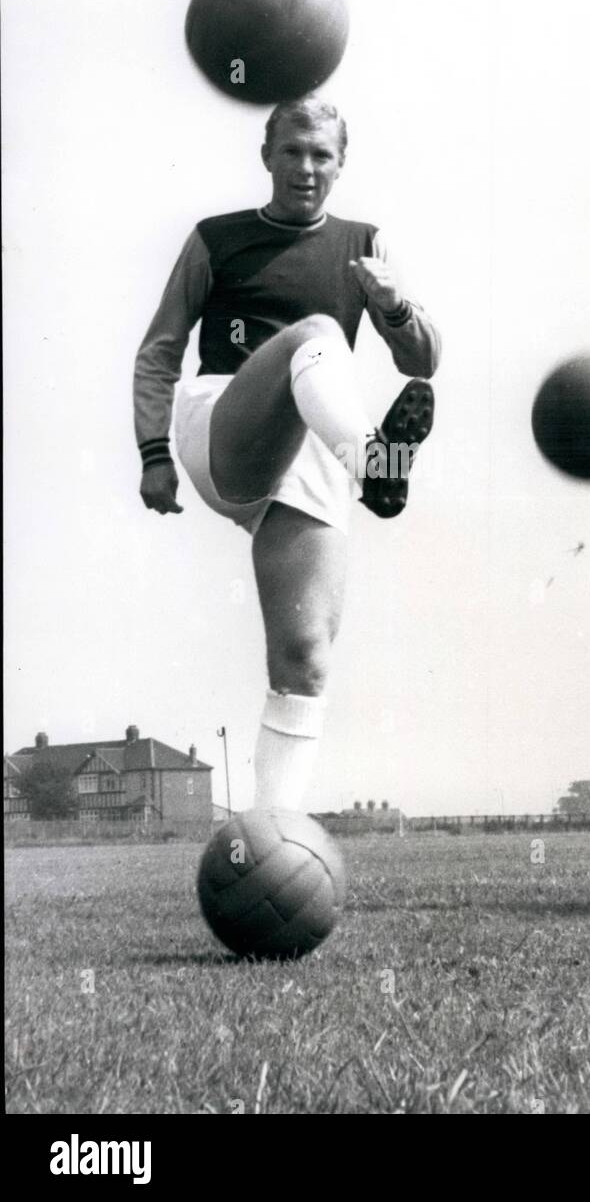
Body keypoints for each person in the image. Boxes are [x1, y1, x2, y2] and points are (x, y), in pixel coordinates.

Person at [134, 96, 441, 813]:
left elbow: (424, 362)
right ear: (267, 156)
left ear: (340, 164)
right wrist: (153, 453)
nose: (306, 167)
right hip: (223, 426)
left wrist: (395, 308)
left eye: (321, 155)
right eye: (292, 151)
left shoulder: (366, 244)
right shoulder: (216, 238)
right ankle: (378, 467)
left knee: (305, 661)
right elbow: (159, 352)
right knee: (317, 335)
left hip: (315, 444)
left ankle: (273, 833)